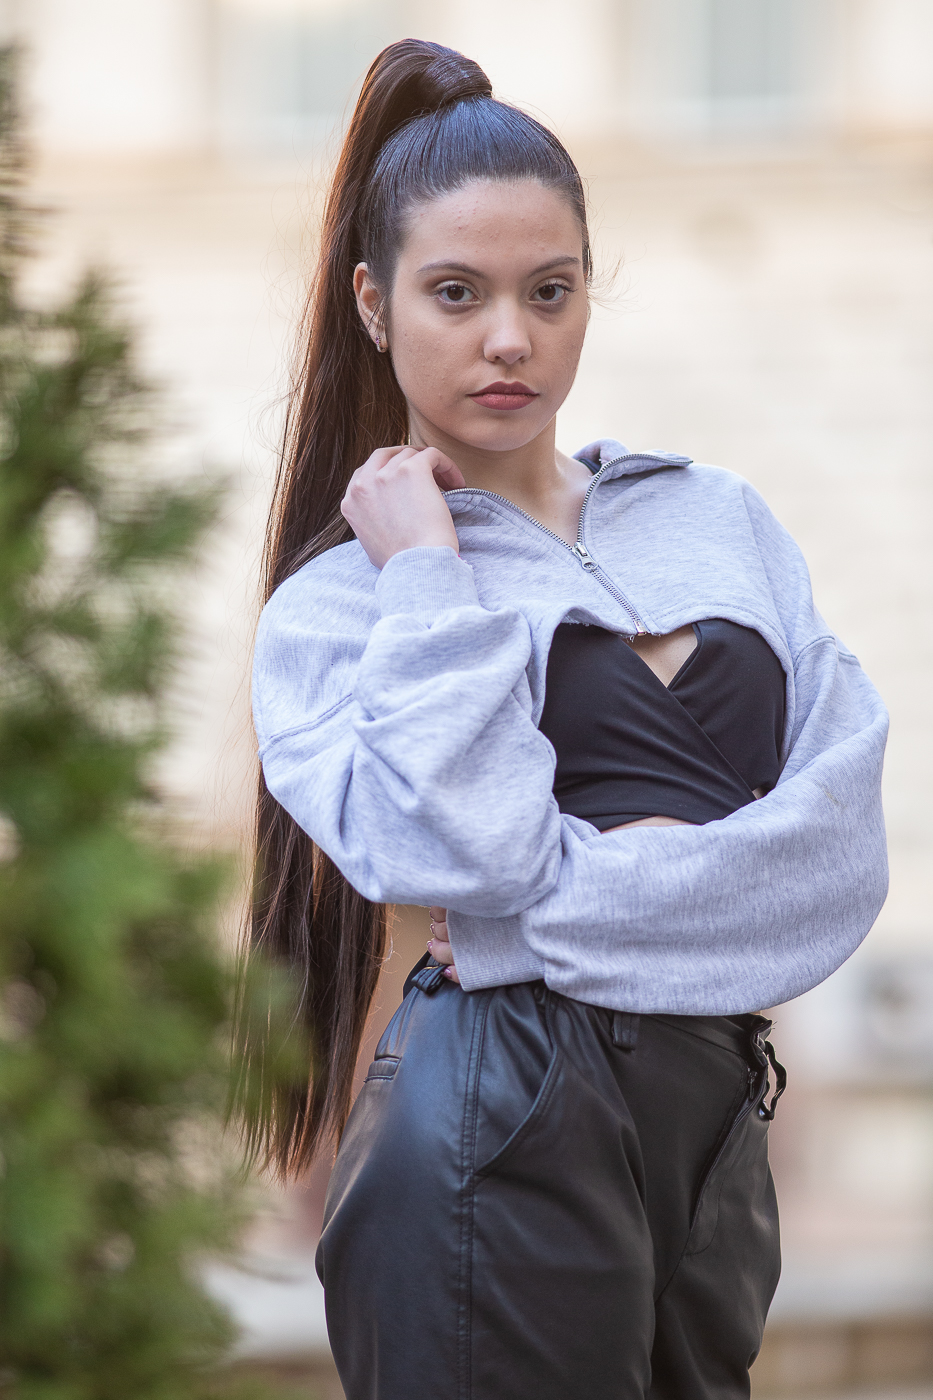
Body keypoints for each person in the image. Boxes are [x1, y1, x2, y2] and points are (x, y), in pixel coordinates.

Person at [247, 38, 888, 1400]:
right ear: (373, 303)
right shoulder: (338, 608)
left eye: (549, 290)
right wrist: (429, 577)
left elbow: (833, 868)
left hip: (714, 1138)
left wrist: (539, 916)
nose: (509, 339)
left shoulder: (717, 519)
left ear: (591, 287)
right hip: (488, 1128)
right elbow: (465, 856)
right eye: (455, 292)